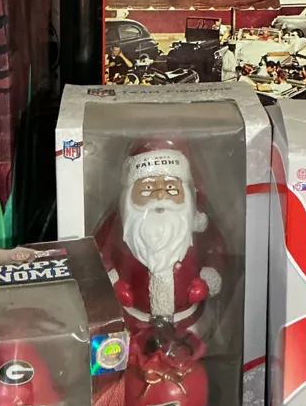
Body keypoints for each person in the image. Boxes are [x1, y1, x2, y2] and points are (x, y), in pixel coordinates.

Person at [96, 143, 225, 336]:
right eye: (147, 188)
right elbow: (98, 255)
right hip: (134, 318)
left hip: (186, 319)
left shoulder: (198, 224)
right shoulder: (118, 225)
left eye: (170, 187)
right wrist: (113, 283)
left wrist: (207, 280)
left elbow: (217, 251)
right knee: (130, 349)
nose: (159, 195)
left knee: (191, 349)